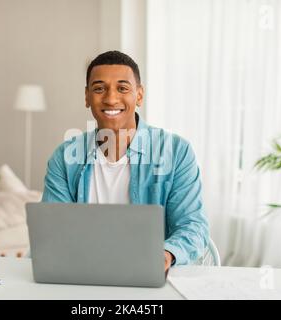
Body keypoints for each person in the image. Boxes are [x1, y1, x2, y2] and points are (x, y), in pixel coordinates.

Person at [42, 51, 209, 272]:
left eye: (122, 88)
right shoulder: (65, 157)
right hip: (83, 274)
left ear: (139, 95)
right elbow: (54, 230)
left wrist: (165, 254)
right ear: (86, 96)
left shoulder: (176, 152)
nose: (111, 98)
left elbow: (193, 227)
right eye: (99, 88)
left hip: (150, 277)